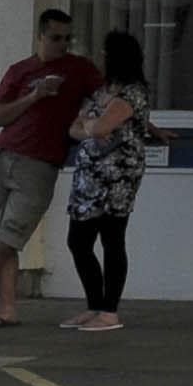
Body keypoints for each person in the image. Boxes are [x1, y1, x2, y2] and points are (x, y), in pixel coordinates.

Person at [0, 8, 101, 329]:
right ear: (40, 36)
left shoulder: (79, 69)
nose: (62, 45)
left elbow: (108, 98)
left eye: (67, 38)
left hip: (39, 164)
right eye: (55, 38)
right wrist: (35, 96)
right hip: (4, 155)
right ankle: (7, 308)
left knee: (10, 237)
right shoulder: (21, 70)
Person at [60, 30, 155, 332]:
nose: (100, 58)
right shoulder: (102, 91)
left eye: (105, 53)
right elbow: (76, 128)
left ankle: (110, 311)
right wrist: (91, 127)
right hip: (89, 176)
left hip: (118, 177)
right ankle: (95, 304)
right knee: (78, 240)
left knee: (112, 238)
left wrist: (91, 126)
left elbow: (101, 125)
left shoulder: (133, 93)